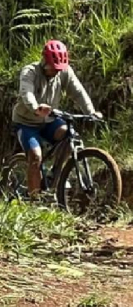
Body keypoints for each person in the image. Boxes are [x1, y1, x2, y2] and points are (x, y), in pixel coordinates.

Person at [12, 40, 101, 197]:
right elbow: (27, 93)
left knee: (69, 135)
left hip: (49, 120)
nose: (56, 72)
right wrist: (36, 108)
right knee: (35, 156)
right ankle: (35, 200)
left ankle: (56, 174)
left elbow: (78, 92)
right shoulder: (30, 72)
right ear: (44, 61)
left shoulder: (64, 72)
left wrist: (91, 112)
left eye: (59, 69)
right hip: (26, 123)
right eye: (53, 68)